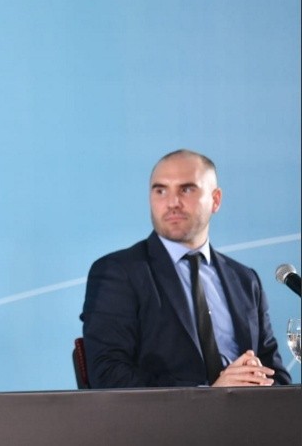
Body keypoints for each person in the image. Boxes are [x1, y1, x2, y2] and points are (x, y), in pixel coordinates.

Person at [81, 149, 291, 388]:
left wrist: (260, 386)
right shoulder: (118, 273)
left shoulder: (244, 279)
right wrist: (209, 395)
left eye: (186, 189)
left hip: (252, 420)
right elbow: (108, 375)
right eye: (160, 190)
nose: (172, 203)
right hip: (167, 423)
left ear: (216, 200)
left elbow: (278, 377)